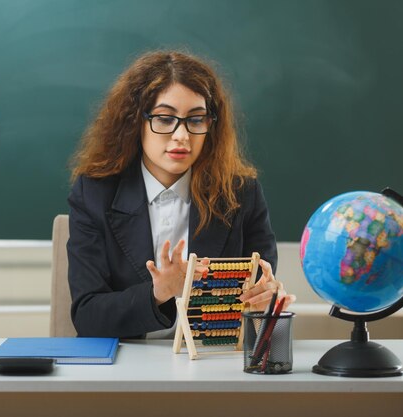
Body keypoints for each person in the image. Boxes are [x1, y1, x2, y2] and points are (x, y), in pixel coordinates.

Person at [66, 50, 295, 339]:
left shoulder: (241, 195)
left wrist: (266, 300)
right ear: (135, 120)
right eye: (164, 118)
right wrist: (159, 292)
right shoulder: (94, 193)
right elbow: (88, 317)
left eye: (196, 120)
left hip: (212, 367)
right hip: (125, 365)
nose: (181, 136)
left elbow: (257, 297)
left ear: (210, 125)